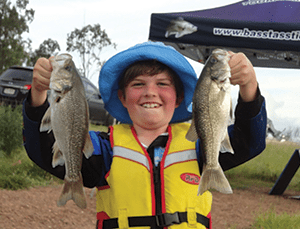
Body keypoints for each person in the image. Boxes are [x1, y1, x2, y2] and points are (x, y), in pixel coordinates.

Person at [23, 41, 267, 229]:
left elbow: (250, 141)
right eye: (138, 84)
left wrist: (249, 86)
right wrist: (38, 96)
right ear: (122, 97)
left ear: (179, 97)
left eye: (162, 84)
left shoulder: (202, 144)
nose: (150, 92)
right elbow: (44, 150)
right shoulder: (105, 147)